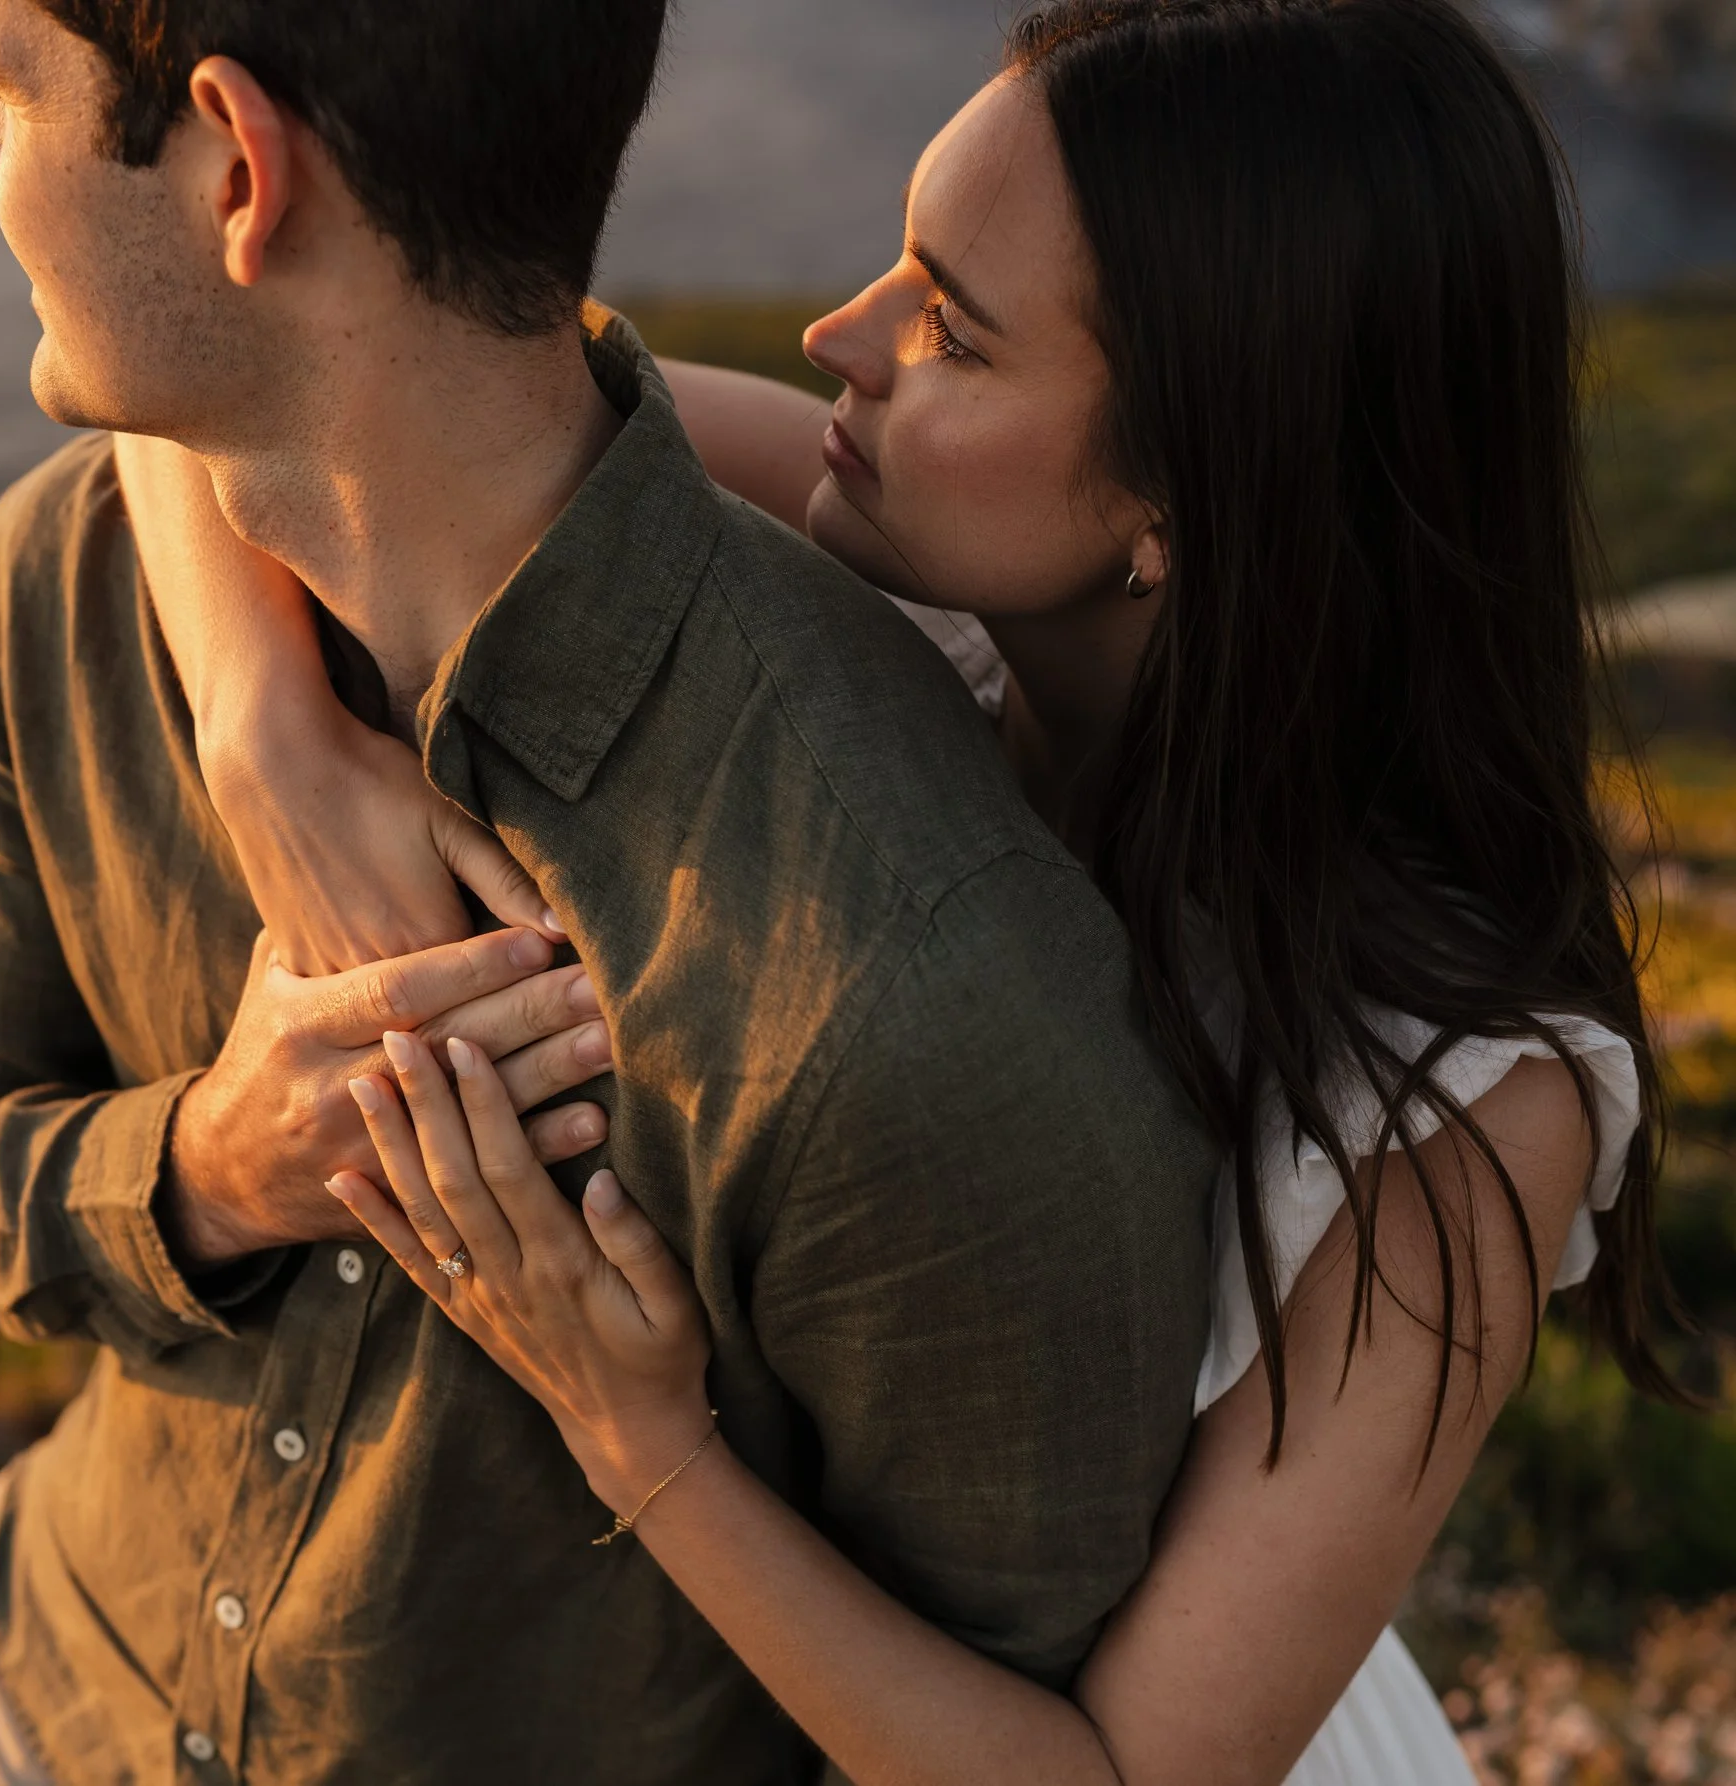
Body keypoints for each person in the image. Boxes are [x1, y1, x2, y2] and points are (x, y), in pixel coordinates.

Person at [132, 1, 1684, 1782]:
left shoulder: (1462, 1103)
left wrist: (643, 1437)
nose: (835, 337)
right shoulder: (884, 532)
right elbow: (274, 352)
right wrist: (267, 735)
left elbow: (1119, 1776)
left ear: (1184, 494)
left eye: (947, 323)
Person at [0, 0, 1216, 1780]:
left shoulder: (930, 1000)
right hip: (50, 1709)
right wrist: (210, 1173)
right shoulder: (65, 579)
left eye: (4, 92)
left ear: (241, 170)